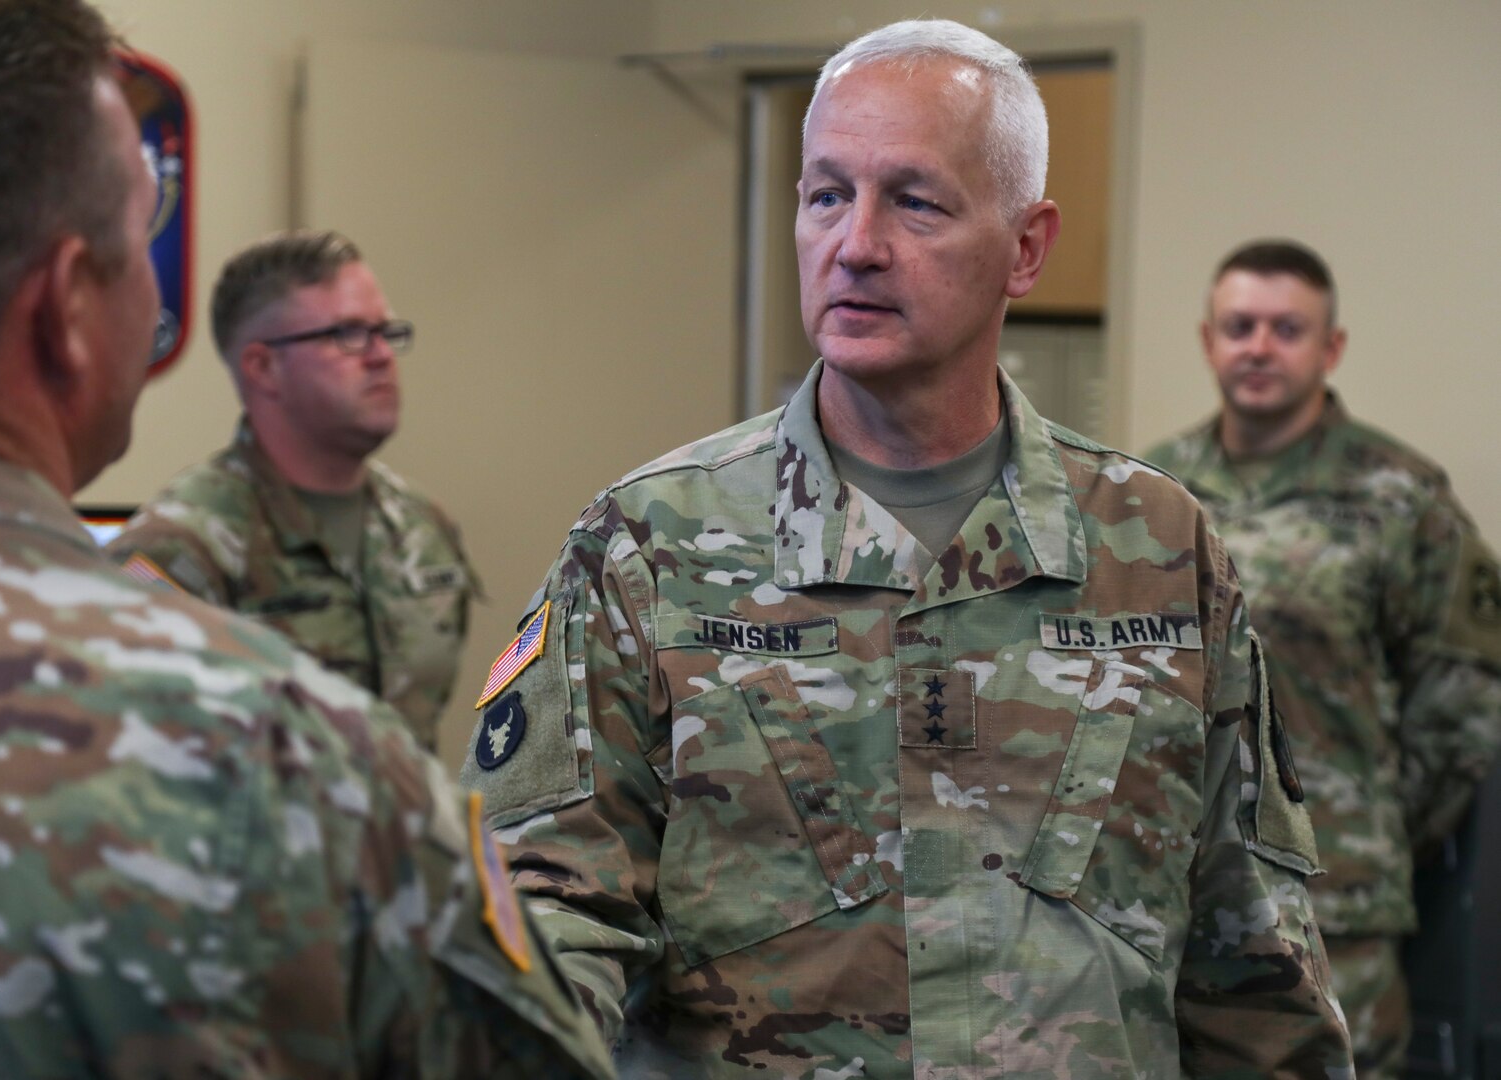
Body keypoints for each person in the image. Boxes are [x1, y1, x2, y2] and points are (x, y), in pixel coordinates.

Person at [461, 18, 1352, 1078]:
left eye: (914, 200)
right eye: (826, 194)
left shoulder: (1154, 547)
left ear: (1026, 248)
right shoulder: (647, 548)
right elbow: (540, 928)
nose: (857, 242)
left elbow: (1255, 966)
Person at [0, 1, 613, 1075]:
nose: (378, 355)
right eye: (139, 248)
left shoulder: (413, 545)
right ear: (64, 315)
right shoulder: (273, 751)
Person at [1146, 239, 1501, 1077]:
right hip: (1178, 896)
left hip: (1342, 904)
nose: (1259, 346)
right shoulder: (1153, 493)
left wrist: (1367, 822)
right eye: (1239, 326)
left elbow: (1465, 698)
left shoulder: (1400, 495)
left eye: (1286, 328)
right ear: (1208, 341)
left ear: (1329, 348)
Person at [108, 231, 474, 751]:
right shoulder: (181, 549)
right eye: (348, 333)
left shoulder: (423, 526)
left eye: (384, 331)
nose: (380, 356)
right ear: (263, 367)